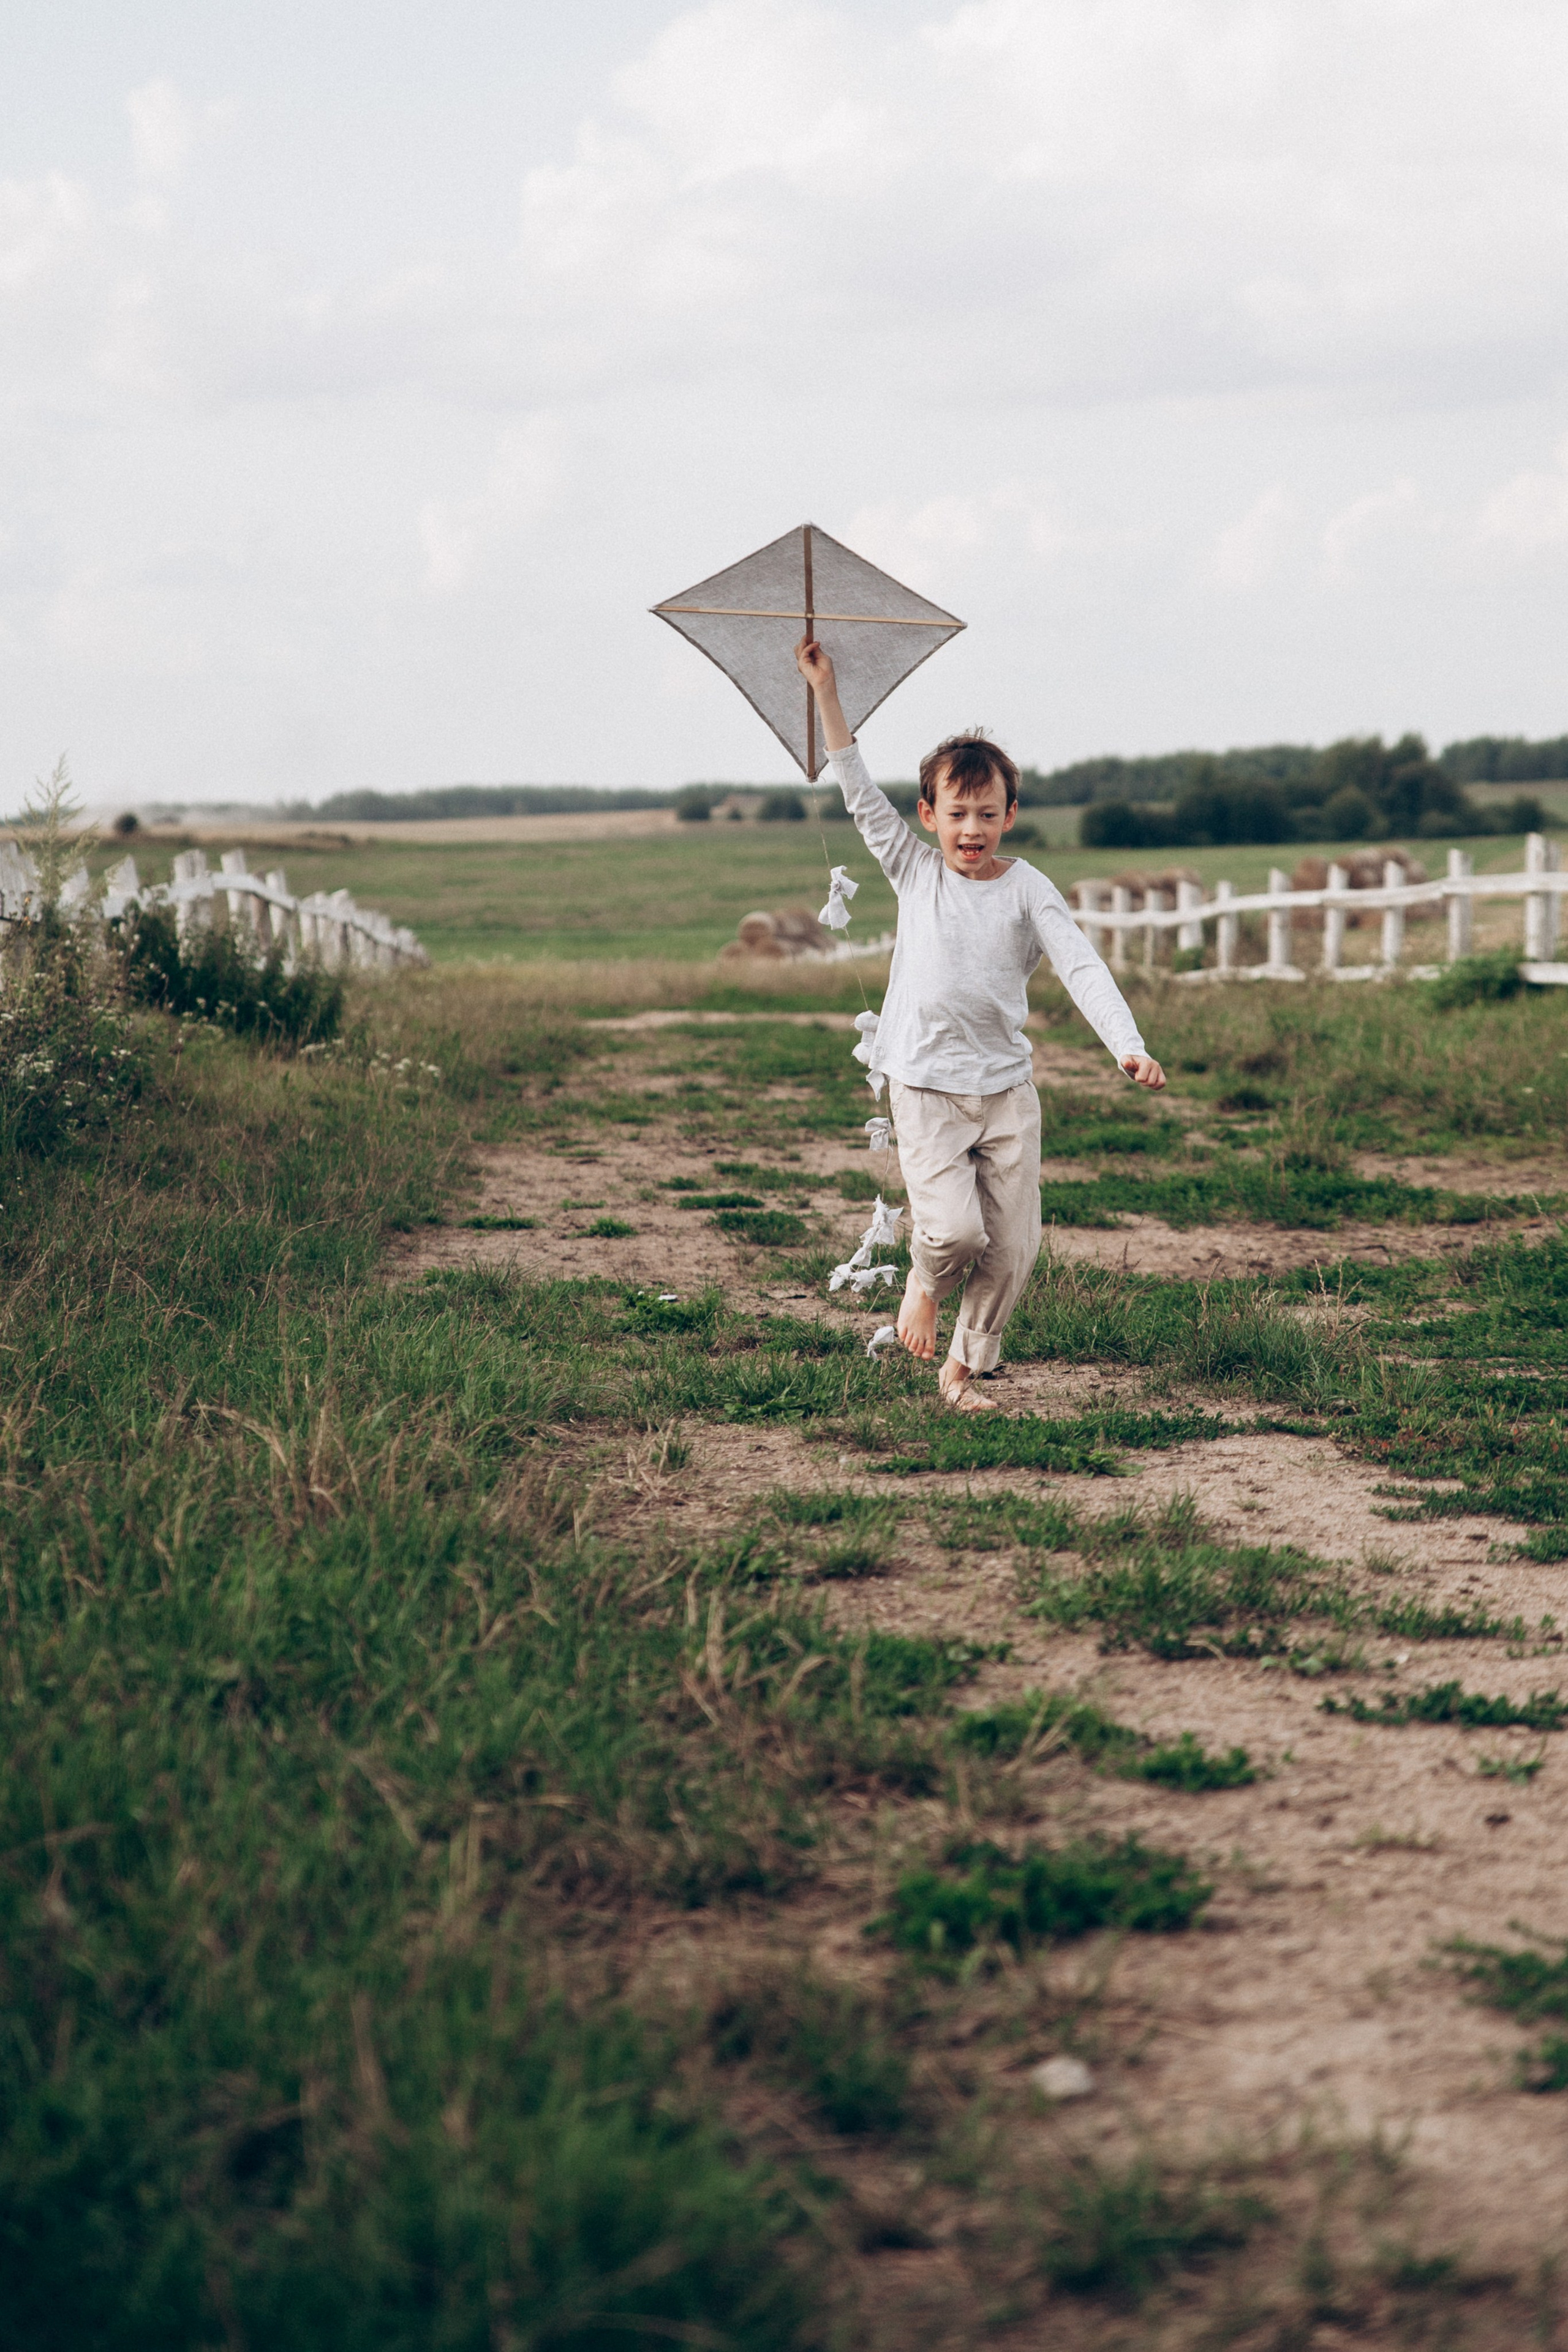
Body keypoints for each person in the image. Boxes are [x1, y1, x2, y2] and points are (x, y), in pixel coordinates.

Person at [795, 636, 1165, 1410]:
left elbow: (1081, 966)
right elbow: (858, 788)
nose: (972, 829)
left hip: (1004, 1092)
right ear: (928, 815)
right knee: (955, 1237)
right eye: (956, 813)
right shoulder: (913, 869)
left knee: (1010, 1249)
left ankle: (960, 1374)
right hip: (925, 1087)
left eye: (987, 814)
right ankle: (924, 1287)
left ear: (1010, 815)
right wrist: (827, 691)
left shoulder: (1028, 889)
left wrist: (1126, 1046)